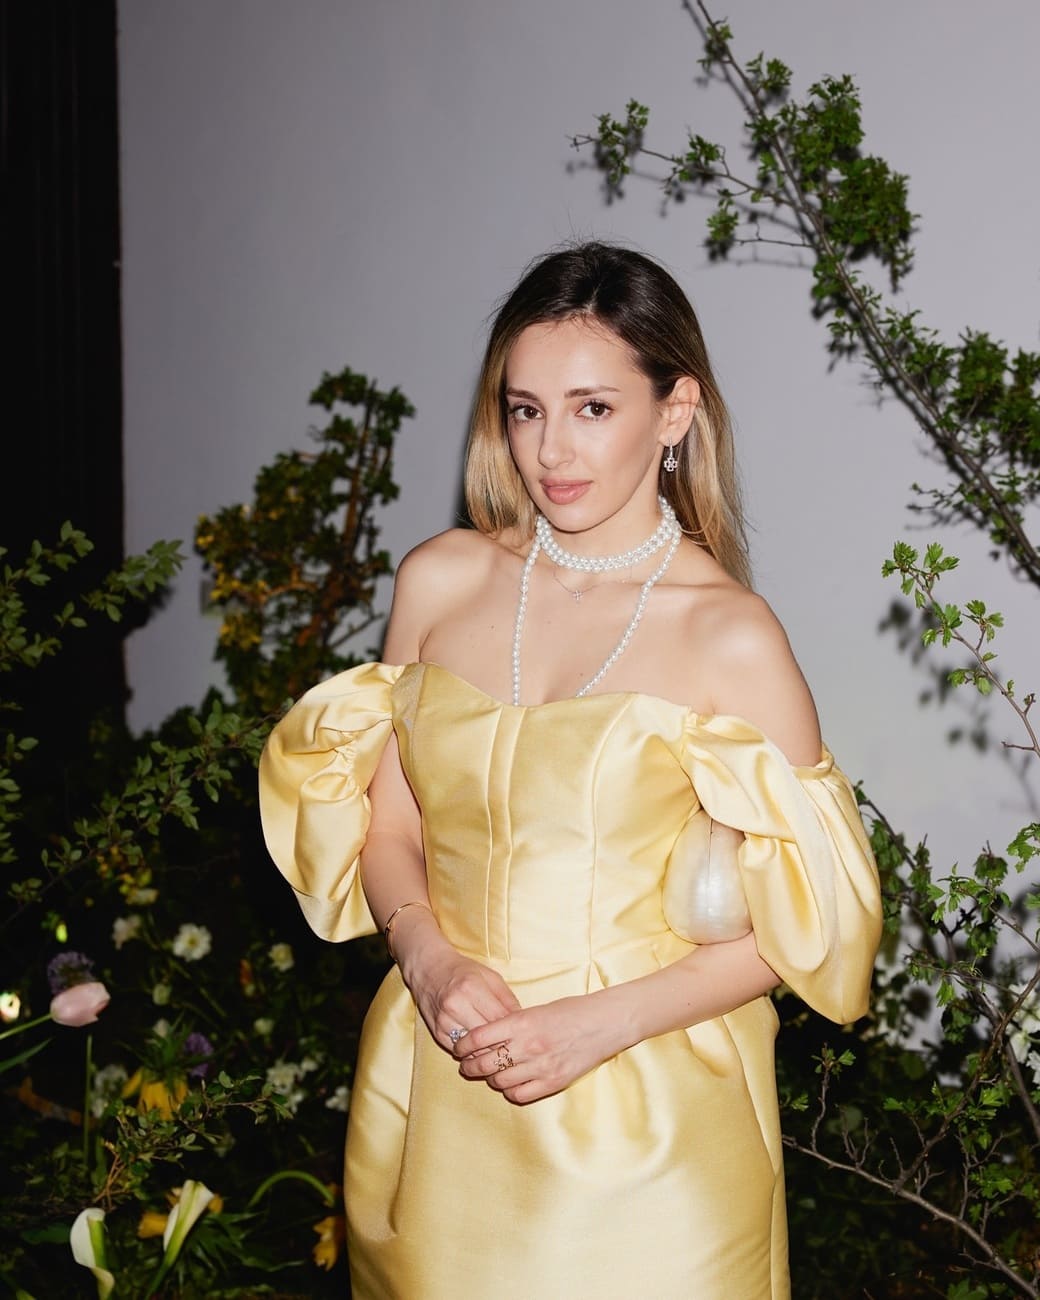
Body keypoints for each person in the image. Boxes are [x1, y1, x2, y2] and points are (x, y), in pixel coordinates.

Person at [259, 242, 882, 1299]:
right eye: (525, 410)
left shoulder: (728, 635)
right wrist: (427, 959)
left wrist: (596, 1024)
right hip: (439, 1085)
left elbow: (810, 927)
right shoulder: (439, 581)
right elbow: (389, 828)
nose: (551, 449)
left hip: (648, 1126)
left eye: (592, 408)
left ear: (674, 411)